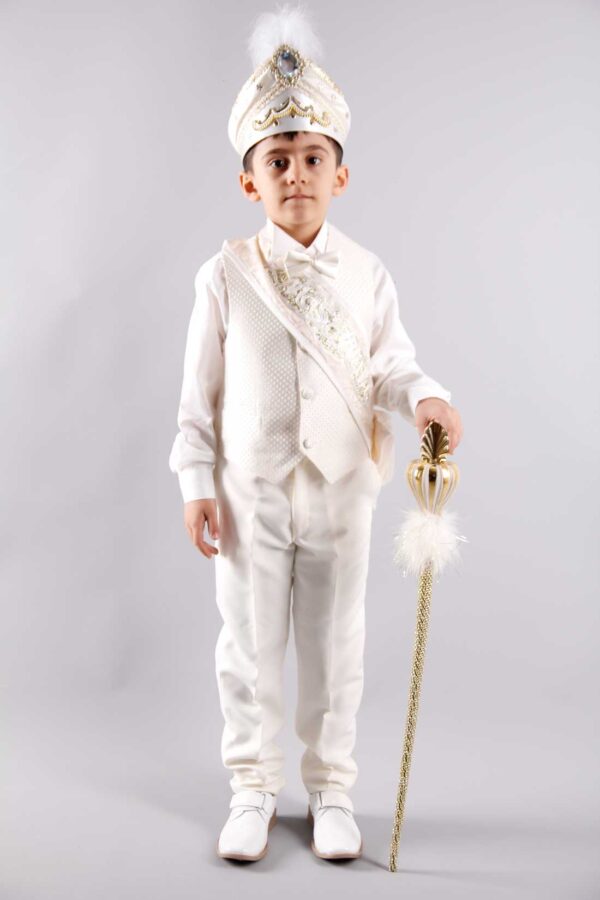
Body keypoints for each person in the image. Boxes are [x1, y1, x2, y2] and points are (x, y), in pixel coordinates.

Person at [168, 3, 463, 863]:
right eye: (277, 160)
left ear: (341, 173)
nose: (296, 174)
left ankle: (331, 787)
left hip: (340, 489)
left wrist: (428, 400)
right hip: (250, 489)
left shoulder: (367, 274)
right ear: (249, 183)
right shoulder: (224, 275)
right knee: (248, 644)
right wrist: (195, 484)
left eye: (311, 159)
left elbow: (393, 365)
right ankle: (253, 787)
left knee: (337, 644)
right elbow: (197, 397)